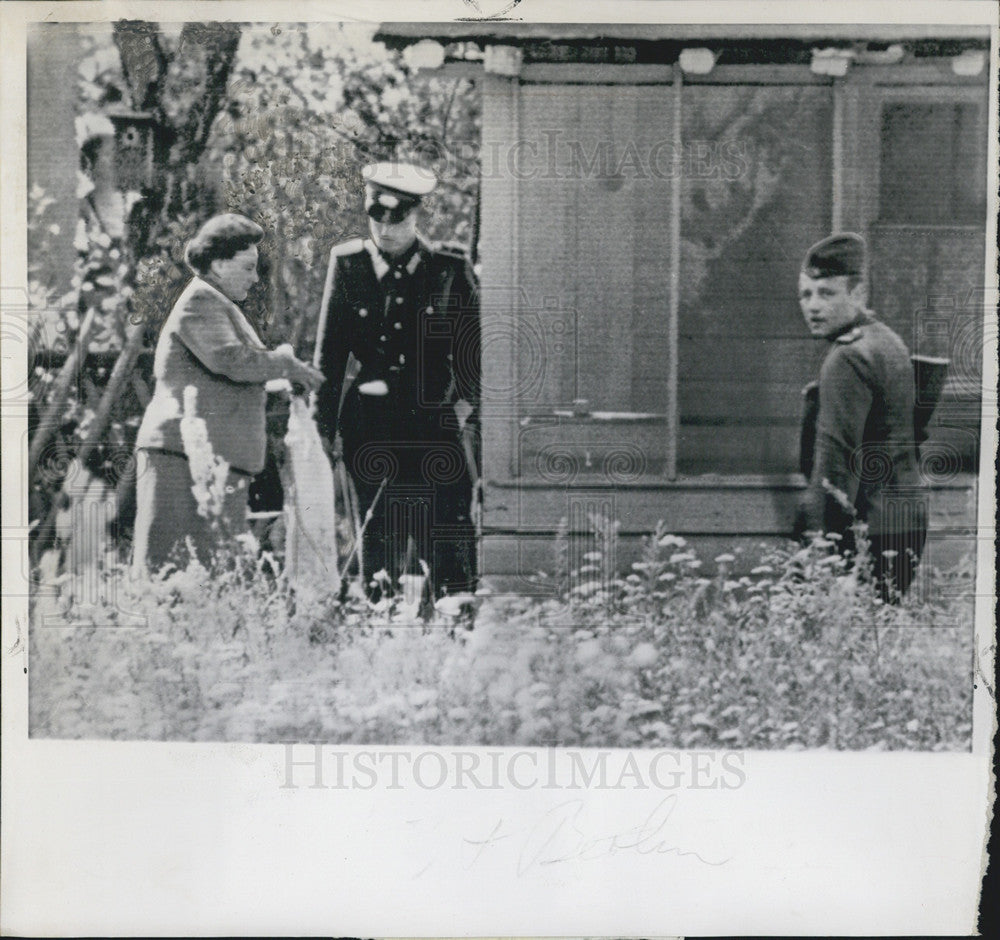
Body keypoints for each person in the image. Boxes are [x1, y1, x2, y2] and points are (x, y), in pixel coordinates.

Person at [313, 161, 481, 599]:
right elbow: (329, 359)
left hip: (434, 425)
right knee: (378, 534)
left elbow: (475, 354)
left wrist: (460, 412)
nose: (385, 230)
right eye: (376, 217)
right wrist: (322, 433)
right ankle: (380, 631)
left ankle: (453, 628)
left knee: (447, 535)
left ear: (416, 214)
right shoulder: (349, 265)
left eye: (398, 218)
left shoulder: (448, 268)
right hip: (370, 426)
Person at [133, 213, 324, 572]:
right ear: (219, 264)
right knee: (171, 572)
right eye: (248, 267)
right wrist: (287, 365)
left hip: (208, 461)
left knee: (210, 571)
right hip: (183, 458)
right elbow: (232, 361)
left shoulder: (217, 304)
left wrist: (279, 380)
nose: (255, 278)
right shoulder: (201, 301)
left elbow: (232, 373)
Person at [795, 232, 927, 601]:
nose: (813, 306)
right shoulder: (886, 340)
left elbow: (835, 461)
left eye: (827, 293)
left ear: (858, 294)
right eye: (805, 294)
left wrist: (820, 549)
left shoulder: (847, 358)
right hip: (903, 526)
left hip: (865, 534)